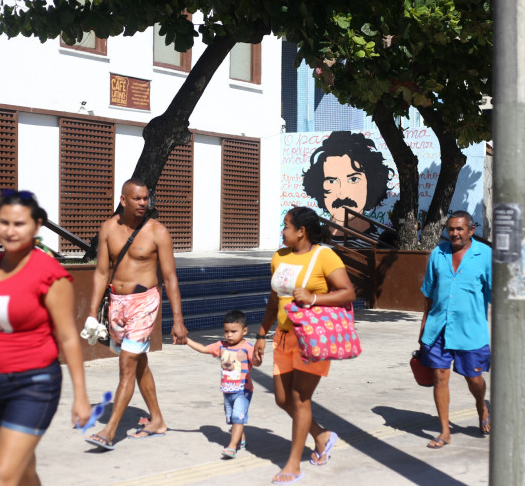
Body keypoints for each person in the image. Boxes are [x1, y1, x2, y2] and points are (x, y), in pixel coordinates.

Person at [0, 189, 91, 484]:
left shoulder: (50, 274)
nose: (10, 231)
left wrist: (81, 397)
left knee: (1, 476)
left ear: (37, 226)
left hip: (33, 385)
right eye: (3, 222)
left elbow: (69, 338)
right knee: (23, 472)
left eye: (19, 224)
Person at [254, 206, 356, 484]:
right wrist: (262, 334)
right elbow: (274, 299)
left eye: (286, 226)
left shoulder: (324, 255)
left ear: (301, 231)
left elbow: (348, 292)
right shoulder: (279, 257)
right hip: (283, 338)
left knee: (300, 399)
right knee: (283, 399)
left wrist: (313, 299)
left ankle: (293, 464)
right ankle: (322, 435)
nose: (282, 231)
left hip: (312, 340)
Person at [84, 178, 188, 450]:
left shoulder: (158, 232)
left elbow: (170, 278)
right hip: (117, 304)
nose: (144, 203)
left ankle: (109, 431)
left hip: (144, 302)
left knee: (127, 363)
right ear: (123, 200)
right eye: (138, 198)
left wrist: (178, 320)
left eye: (146, 198)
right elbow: (101, 272)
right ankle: (157, 421)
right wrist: (92, 313)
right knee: (138, 363)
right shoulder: (108, 228)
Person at [419, 210, 491, 449]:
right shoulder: (437, 254)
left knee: (474, 379)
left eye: (460, 228)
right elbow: (429, 296)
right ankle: (444, 431)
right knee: (439, 377)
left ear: (471, 230)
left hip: (470, 330)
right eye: (451, 229)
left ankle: (481, 405)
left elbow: (495, 296)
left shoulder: (485, 255)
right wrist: (423, 329)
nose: (454, 233)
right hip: (438, 327)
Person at [302, 131, 394, 247]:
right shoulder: (312, 243)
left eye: (353, 179)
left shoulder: (377, 246)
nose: (342, 194)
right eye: (332, 181)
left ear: (371, 183)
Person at [186, 310, 254, 459]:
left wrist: (258, 356)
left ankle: (232, 446)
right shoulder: (221, 345)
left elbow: (257, 362)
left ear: (245, 331)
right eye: (226, 331)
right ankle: (241, 439)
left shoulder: (248, 347)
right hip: (227, 391)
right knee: (231, 417)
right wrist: (187, 340)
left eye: (234, 331)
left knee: (237, 416)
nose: (229, 335)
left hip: (243, 390)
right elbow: (204, 349)